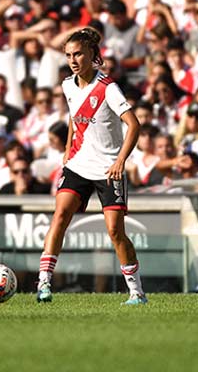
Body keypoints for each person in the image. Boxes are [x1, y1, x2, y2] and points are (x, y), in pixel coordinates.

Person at [36, 27, 143, 305]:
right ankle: (44, 283)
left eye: (78, 54)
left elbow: (133, 124)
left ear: (92, 55)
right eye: (69, 55)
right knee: (60, 214)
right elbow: (74, 116)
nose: (73, 60)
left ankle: (136, 292)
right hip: (79, 164)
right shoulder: (67, 84)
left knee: (115, 231)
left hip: (109, 168)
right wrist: (68, 150)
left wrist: (120, 160)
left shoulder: (108, 88)